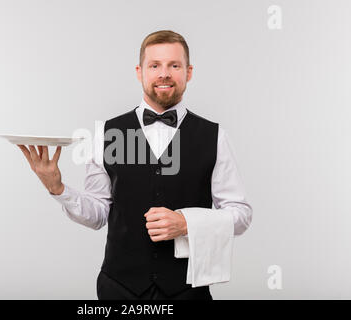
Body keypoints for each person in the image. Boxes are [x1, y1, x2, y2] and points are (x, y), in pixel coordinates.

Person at [17, 30, 253, 300]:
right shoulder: (107, 133)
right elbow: (97, 215)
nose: (164, 73)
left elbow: (241, 214)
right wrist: (57, 188)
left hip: (188, 291)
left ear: (188, 72)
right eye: (155, 65)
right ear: (140, 72)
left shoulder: (215, 136)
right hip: (119, 288)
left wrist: (187, 223)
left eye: (174, 65)